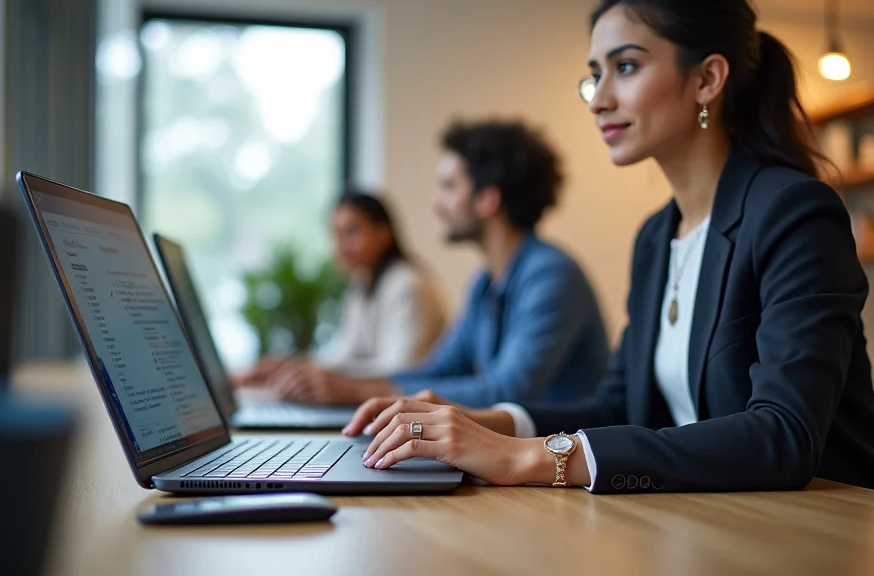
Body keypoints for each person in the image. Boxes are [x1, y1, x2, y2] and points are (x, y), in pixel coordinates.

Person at [343, 0, 874, 492]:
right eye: (595, 75)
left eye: (625, 67)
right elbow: (621, 404)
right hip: (707, 522)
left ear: (707, 79)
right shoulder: (654, 237)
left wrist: (529, 458)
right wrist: (478, 423)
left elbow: (783, 435)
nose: (598, 99)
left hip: (818, 526)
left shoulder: (793, 212)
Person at [268, 120, 610, 408]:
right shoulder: (484, 283)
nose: (438, 202)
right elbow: (440, 370)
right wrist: (338, 385)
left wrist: (358, 391)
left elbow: (509, 391)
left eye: (448, 186)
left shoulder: (551, 275)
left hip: (562, 470)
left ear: (488, 198)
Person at [236, 191, 447, 390]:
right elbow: (344, 355)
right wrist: (291, 367)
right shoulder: (363, 284)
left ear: (384, 233)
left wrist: (324, 377)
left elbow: (403, 368)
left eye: (351, 232)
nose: (340, 246)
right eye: (336, 234)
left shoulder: (409, 284)